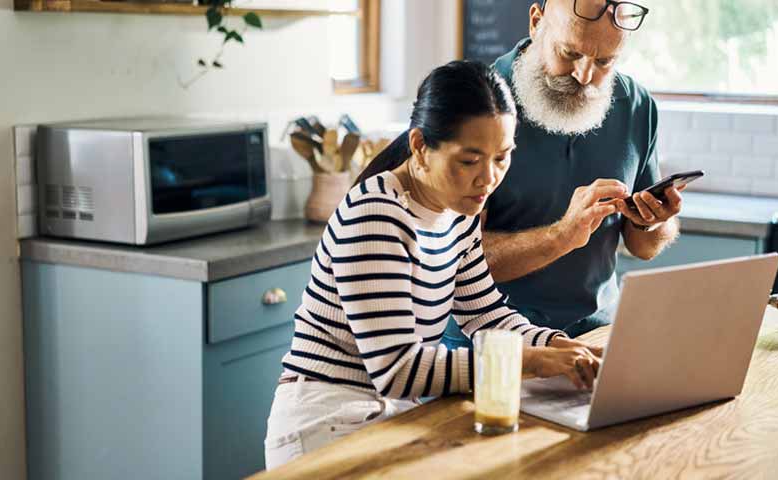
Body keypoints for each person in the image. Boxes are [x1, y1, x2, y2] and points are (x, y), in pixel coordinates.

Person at [264, 60, 602, 469]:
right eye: (469, 160)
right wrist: (530, 360)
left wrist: (557, 345)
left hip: (389, 415)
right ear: (421, 145)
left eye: (502, 157)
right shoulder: (376, 214)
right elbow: (398, 370)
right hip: (325, 422)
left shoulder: (457, 209)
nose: (488, 179)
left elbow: (486, 314)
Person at [444, 0, 686, 347]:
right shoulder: (475, 103)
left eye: (605, 61)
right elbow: (449, 263)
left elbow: (643, 247)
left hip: (597, 340)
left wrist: (653, 221)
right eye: (570, 53)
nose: (585, 76)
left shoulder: (638, 106)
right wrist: (561, 236)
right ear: (536, 21)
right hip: (493, 348)